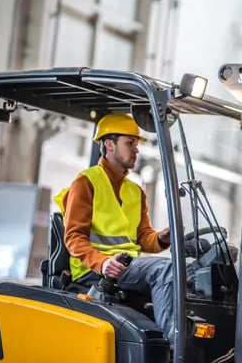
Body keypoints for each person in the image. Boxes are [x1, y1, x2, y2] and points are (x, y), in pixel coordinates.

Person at [54, 113, 175, 342]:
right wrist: (103, 263)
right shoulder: (86, 182)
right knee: (164, 270)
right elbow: (74, 238)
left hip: (127, 267)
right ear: (109, 144)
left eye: (136, 144)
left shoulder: (135, 191)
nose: (136, 149)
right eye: (130, 143)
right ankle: (174, 348)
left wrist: (163, 237)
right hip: (95, 272)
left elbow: (143, 237)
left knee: (186, 276)